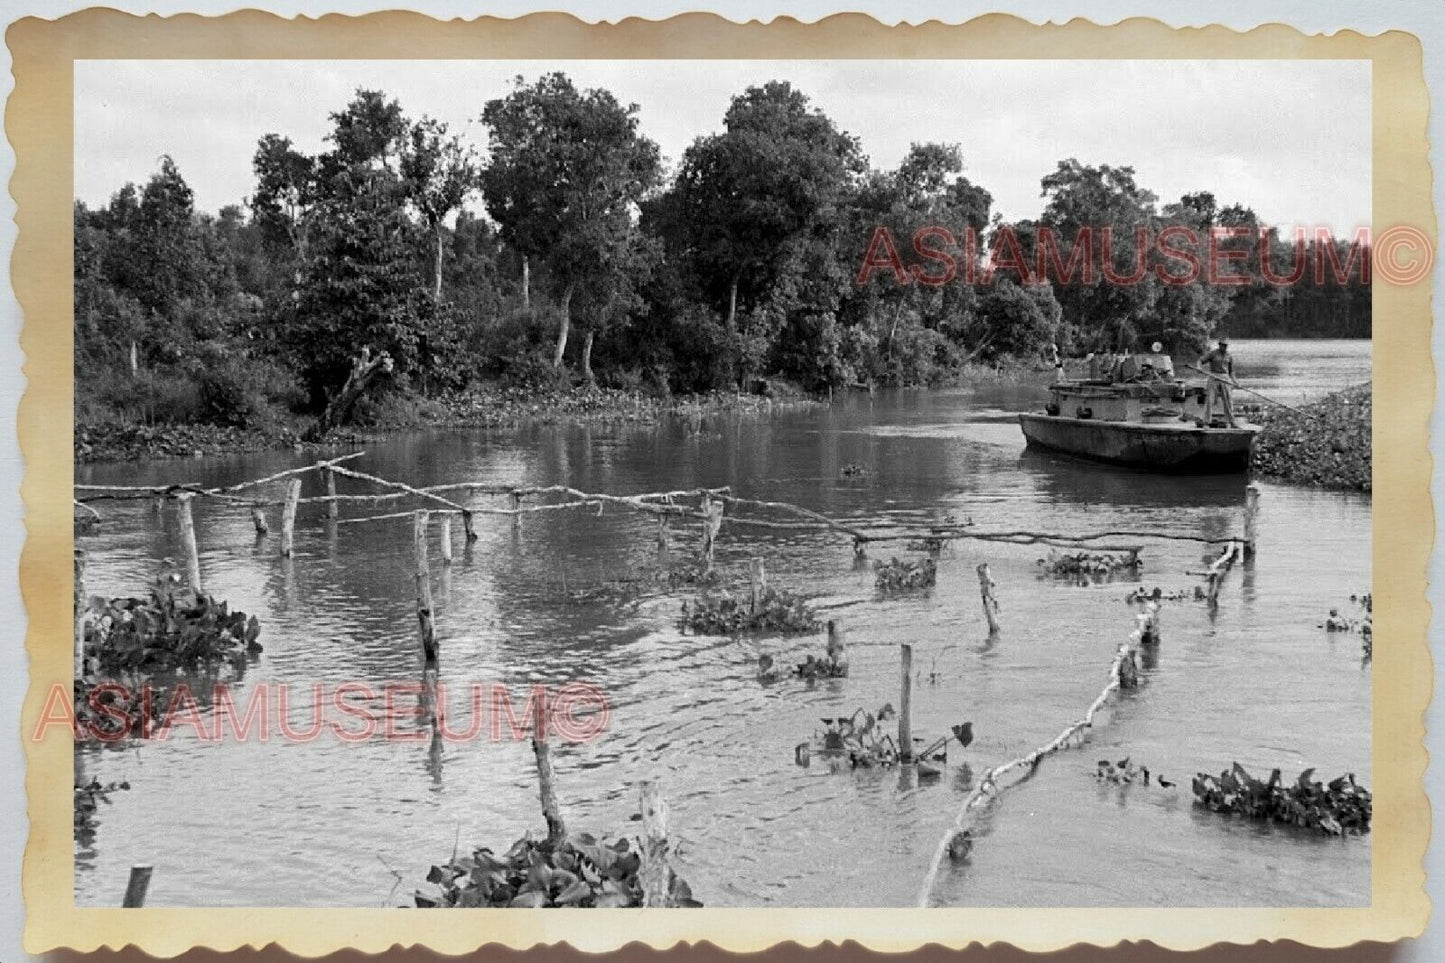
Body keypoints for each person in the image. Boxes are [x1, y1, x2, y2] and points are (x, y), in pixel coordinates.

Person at [1197, 339, 1236, 427]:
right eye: (1223, 345)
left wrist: (1234, 382)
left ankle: (1231, 421)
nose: (1225, 347)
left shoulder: (1229, 356)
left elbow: (1231, 372)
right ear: (1219, 345)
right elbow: (1200, 360)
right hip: (1214, 376)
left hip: (1225, 378)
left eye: (1226, 346)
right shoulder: (1213, 353)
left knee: (1228, 400)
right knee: (1210, 399)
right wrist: (1199, 367)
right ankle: (1206, 421)